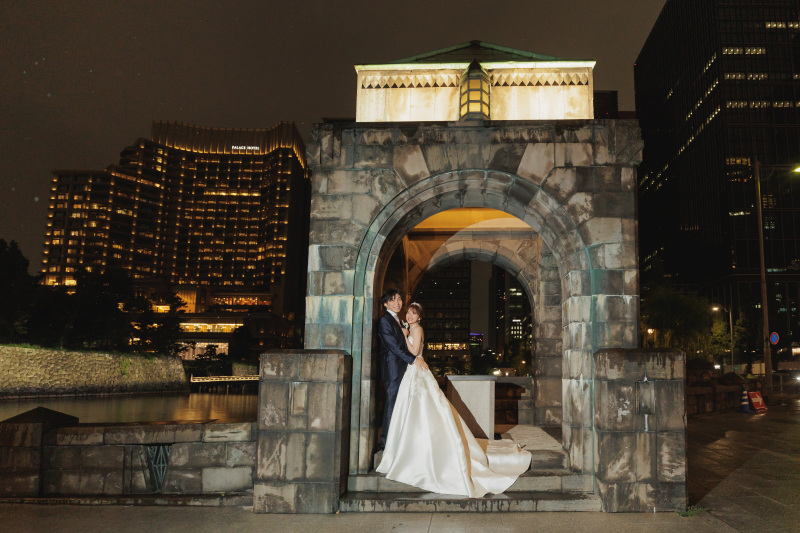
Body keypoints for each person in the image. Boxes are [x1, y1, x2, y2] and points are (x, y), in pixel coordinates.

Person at [377, 302, 531, 497]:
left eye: (413, 314)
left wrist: (405, 337)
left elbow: (415, 352)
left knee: (422, 409)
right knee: (412, 411)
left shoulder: (416, 330)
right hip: (413, 373)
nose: (409, 315)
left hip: (417, 372)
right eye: (408, 312)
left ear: (419, 317)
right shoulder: (411, 328)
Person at [377, 289, 428, 450]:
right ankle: (386, 442)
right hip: (393, 369)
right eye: (392, 300)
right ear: (385, 304)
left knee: (400, 404)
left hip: (403, 369)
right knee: (392, 404)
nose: (397, 302)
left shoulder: (398, 320)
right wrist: (414, 359)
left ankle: (399, 439)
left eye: (399, 299)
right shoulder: (385, 320)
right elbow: (393, 346)